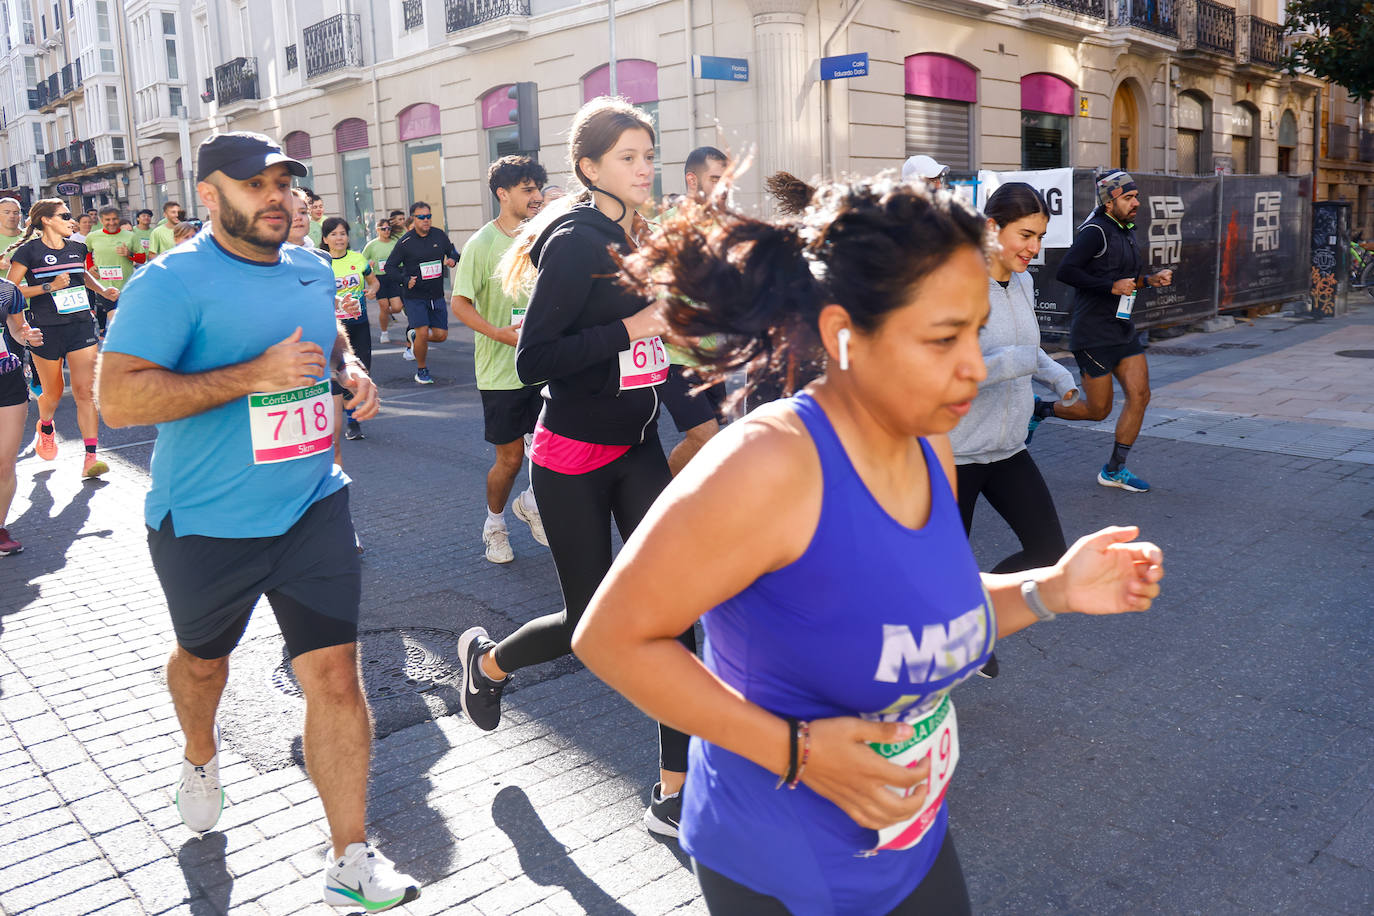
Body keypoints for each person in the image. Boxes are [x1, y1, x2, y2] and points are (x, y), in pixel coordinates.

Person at [569, 174, 1165, 915]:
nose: (975, 367)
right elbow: (611, 638)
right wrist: (798, 752)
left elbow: (924, 610)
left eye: (974, 332)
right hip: (780, 864)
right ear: (842, 336)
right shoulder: (768, 464)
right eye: (943, 338)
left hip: (907, 836)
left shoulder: (928, 446)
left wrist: (1052, 590)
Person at [96, 131, 418, 912]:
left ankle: (349, 856)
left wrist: (350, 370)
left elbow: (329, 336)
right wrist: (252, 377)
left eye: (285, 183)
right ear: (210, 196)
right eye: (255, 184)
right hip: (205, 521)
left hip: (312, 504)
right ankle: (201, 755)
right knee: (204, 663)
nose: (277, 197)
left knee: (336, 677)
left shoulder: (309, 267)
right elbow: (119, 400)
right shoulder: (170, 283)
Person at [457, 97, 695, 838]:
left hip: (639, 447)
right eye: (628, 157)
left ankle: (673, 793)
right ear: (589, 168)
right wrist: (628, 328)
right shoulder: (577, 241)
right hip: (572, 458)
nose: (644, 167)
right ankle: (489, 665)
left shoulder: (642, 237)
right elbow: (535, 358)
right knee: (589, 626)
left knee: (674, 614)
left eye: (647, 155)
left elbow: (662, 344)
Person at [951, 182, 1079, 680]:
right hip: (953, 454)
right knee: (944, 575)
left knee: (1049, 551)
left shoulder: (1023, 282)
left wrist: (1057, 374)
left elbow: (1029, 348)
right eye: (1025, 234)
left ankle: (974, 625)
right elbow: (951, 371)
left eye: (1041, 236)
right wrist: (1018, 362)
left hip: (1006, 448)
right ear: (991, 228)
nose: (1034, 247)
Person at [1034, 170, 1172, 493]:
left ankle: (1115, 469)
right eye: (1128, 198)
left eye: (1136, 196)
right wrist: (1110, 286)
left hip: (1122, 329)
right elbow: (1066, 271)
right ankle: (1040, 409)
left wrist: (1150, 281)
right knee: (1099, 410)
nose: (1136, 202)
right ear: (1110, 202)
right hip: (1093, 334)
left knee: (1141, 395)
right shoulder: (1095, 231)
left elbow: (1125, 281)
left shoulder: (1125, 230)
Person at [451, 155, 548, 564]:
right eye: (527, 189)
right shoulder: (482, 243)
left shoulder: (544, 236)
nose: (537, 197)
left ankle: (532, 503)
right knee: (508, 460)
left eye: (538, 188)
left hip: (544, 366)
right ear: (502, 194)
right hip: (501, 373)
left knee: (550, 451)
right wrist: (499, 334)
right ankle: (495, 524)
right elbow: (459, 303)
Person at [5, 199, 119, 477]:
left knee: (85, 393)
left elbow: (83, 277)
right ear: (46, 220)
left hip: (81, 324)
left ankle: (90, 457)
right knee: (53, 394)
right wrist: (49, 286)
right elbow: (9, 290)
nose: (72, 221)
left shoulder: (78, 247)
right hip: (46, 330)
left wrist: (103, 291)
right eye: (65, 216)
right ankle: (46, 425)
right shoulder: (28, 252)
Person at [657, 146, 730, 474]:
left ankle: (692, 505)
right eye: (715, 179)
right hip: (674, 356)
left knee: (716, 441)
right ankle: (660, 499)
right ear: (692, 179)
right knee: (705, 435)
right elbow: (651, 300)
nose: (723, 187)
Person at [384, 201, 458, 384]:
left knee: (441, 336)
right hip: (415, 296)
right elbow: (389, 267)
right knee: (423, 331)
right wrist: (405, 280)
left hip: (436, 295)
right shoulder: (405, 242)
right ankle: (422, 369)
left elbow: (453, 251)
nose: (426, 220)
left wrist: (453, 259)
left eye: (428, 216)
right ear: (413, 219)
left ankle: (416, 337)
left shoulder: (439, 235)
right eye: (421, 217)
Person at [0, 276, 45, 555]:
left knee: (5, 463)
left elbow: (17, 330)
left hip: (7, 381)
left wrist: (27, 336)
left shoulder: (6, 290)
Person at [322, 216, 378, 442]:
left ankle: (351, 412)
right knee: (341, 373)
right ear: (325, 239)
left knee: (362, 370)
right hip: (335, 330)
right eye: (334, 234)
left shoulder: (358, 258)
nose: (339, 238)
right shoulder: (322, 263)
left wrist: (373, 290)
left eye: (342, 233)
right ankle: (352, 420)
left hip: (359, 324)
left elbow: (374, 282)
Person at [86, 205, 146, 336]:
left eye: (114, 219)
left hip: (126, 286)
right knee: (116, 320)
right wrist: (90, 266)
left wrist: (129, 254)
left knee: (128, 320)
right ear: (101, 220)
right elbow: (87, 252)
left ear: (119, 219)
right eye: (107, 219)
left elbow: (142, 258)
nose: (111, 222)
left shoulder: (130, 236)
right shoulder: (93, 236)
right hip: (104, 286)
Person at [362, 218, 402, 343]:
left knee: (397, 307)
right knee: (384, 307)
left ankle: (388, 315)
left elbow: (402, 257)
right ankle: (384, 333)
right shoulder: (372, 245)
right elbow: (362, 261)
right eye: (383, 229)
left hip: (393, 277)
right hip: (379, 278)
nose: (386, 231)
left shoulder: (395, 242)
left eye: (388, 229)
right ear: (377, 230)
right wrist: (369, 264)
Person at [0, 197, 22, 270]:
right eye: (7, 212)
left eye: (15, 213)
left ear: (20, 216)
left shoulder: (31, 236)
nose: (12, 216)